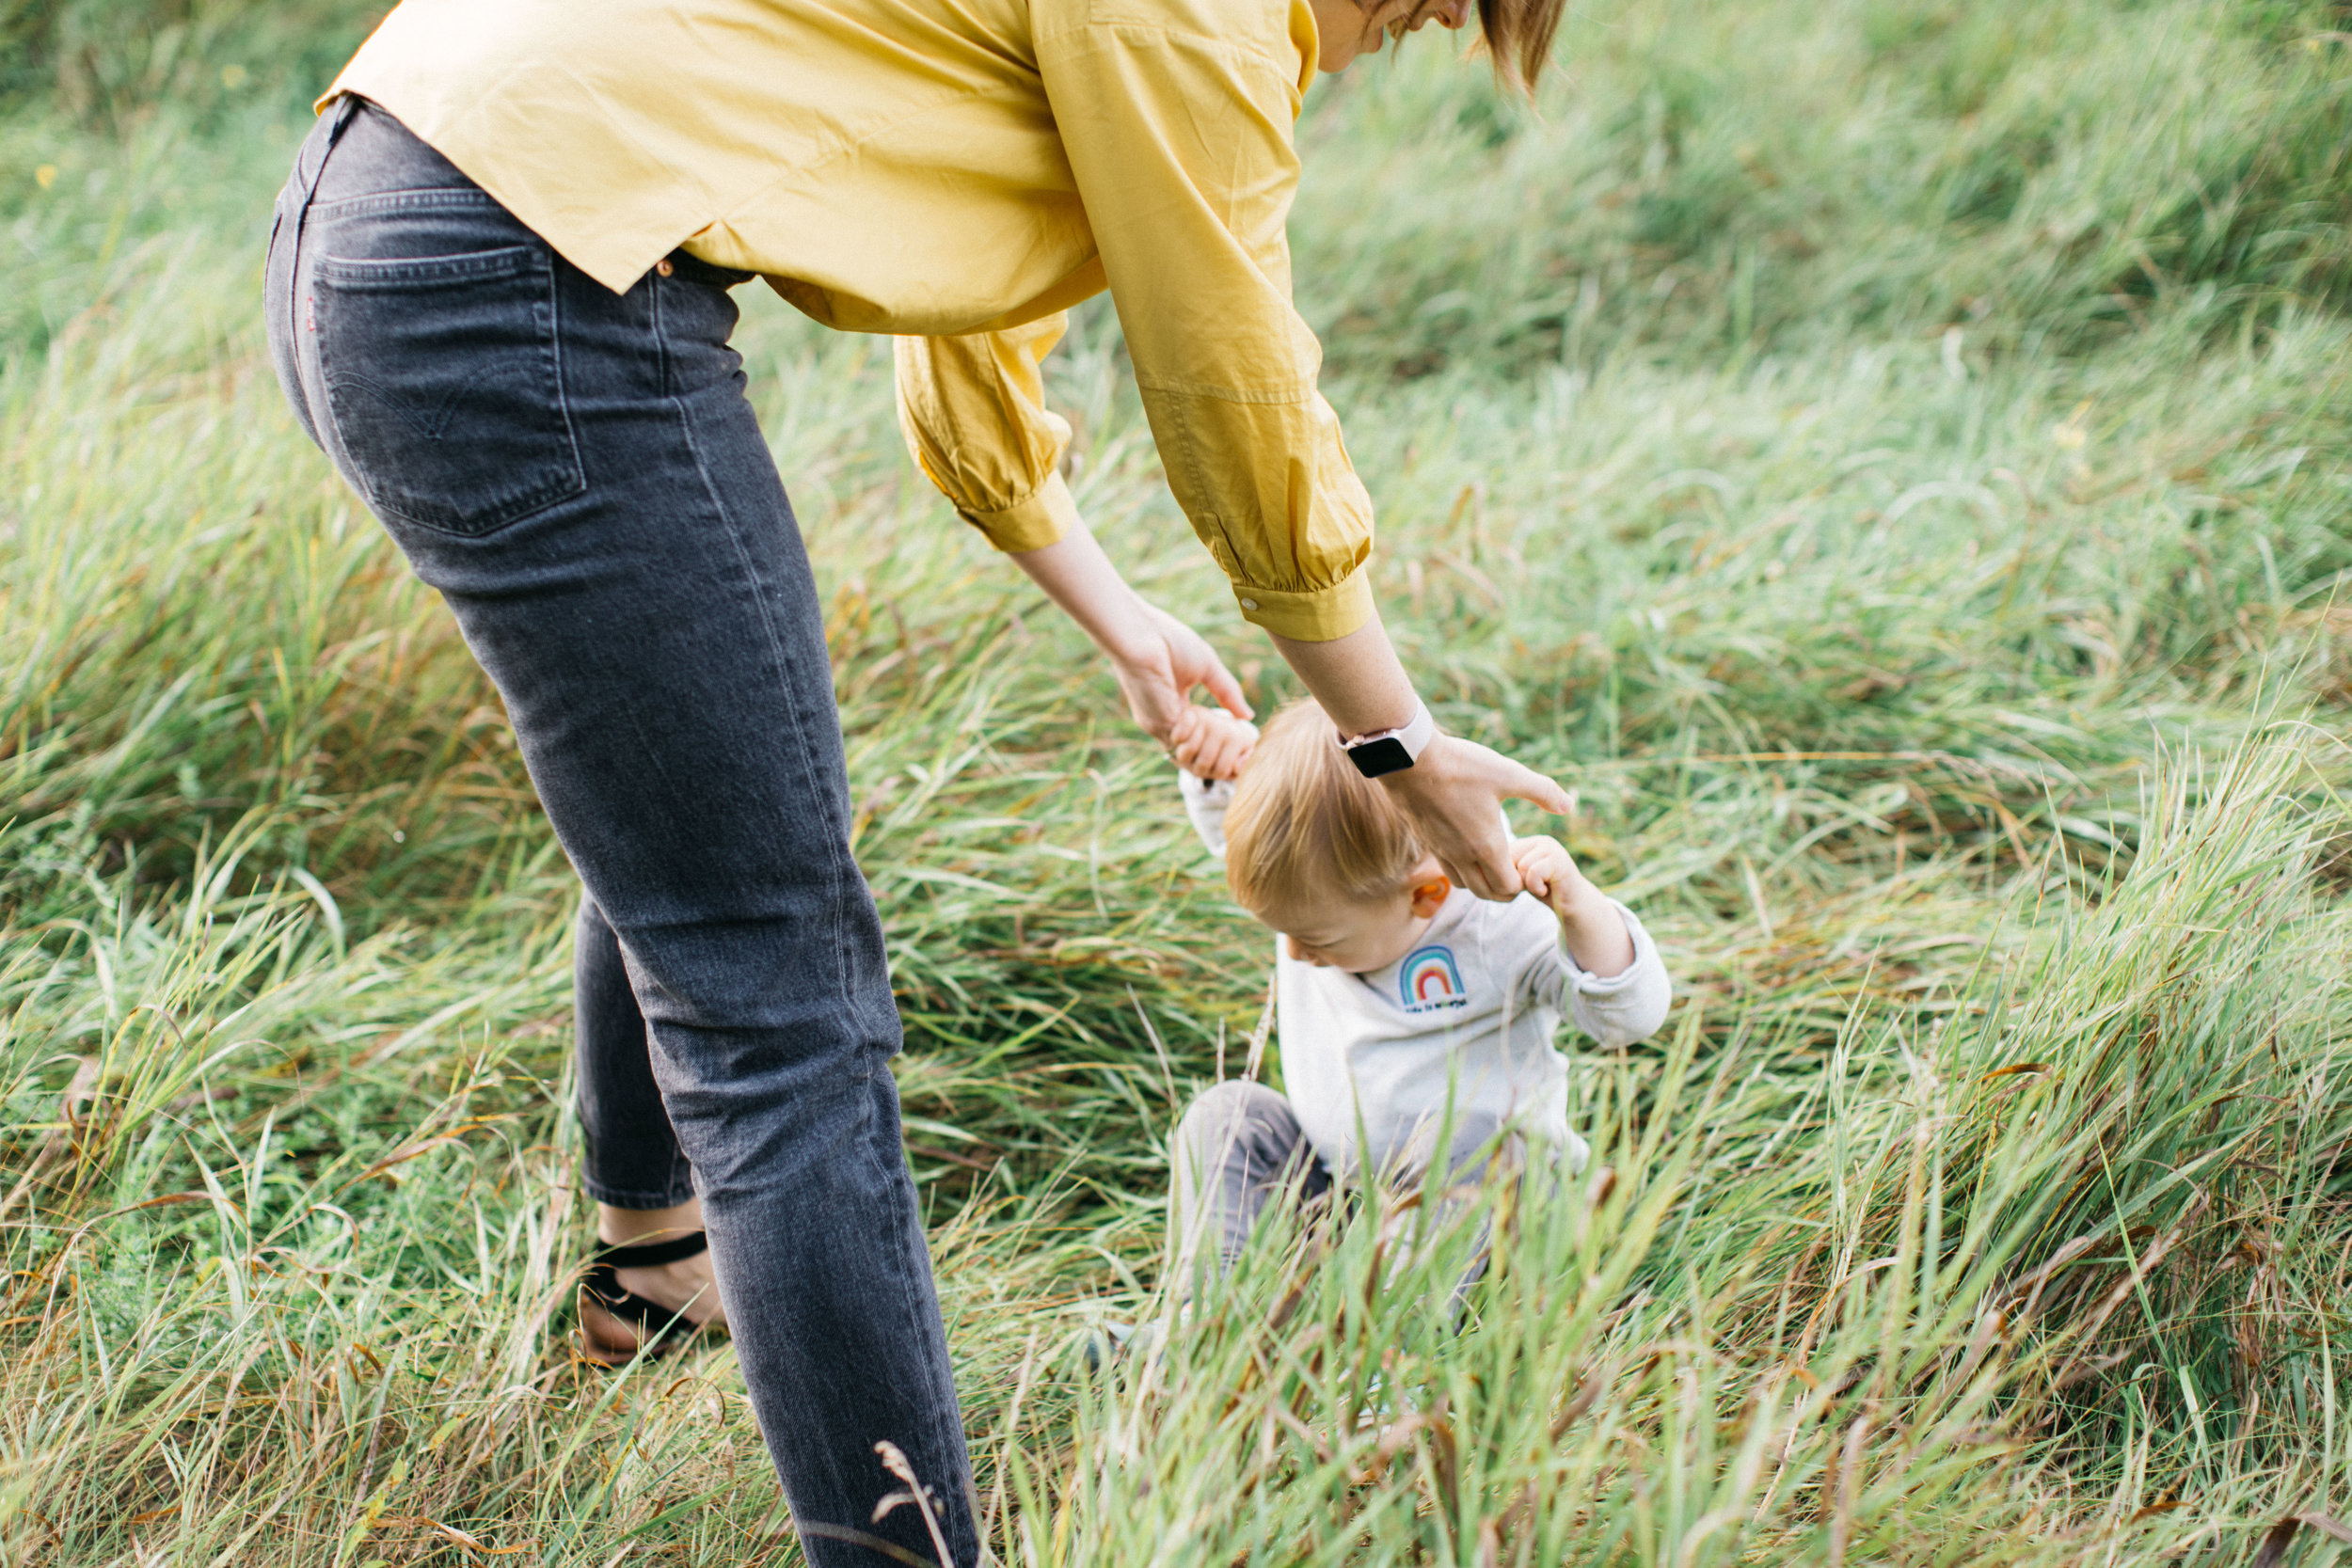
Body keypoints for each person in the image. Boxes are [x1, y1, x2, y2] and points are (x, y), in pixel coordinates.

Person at [261, 0, 1578, 1558]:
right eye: (1429, 15)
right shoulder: (1215, 14)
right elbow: (1233, 383)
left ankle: (657, 1268)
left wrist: (1112, 614)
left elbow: (979, 315)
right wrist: (1392, 743)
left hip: (383, 202)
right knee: (782, 999)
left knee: (708, 808)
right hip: (521, 269)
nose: (1387, 42)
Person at [1167, 700, 1671, 1296]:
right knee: (1228, 1117)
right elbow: (1262, 856)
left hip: (1497, 1210)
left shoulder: (1496, 922)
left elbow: (1629, 1018)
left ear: (1426, 894)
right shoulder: (1323, 894)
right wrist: (1216, 769)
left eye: (1316, 940)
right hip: (1353, 1196)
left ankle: (1380, 1364)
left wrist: (1582, 911)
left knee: (1473, 1135)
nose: (1296, 955)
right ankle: (1205, 1329)